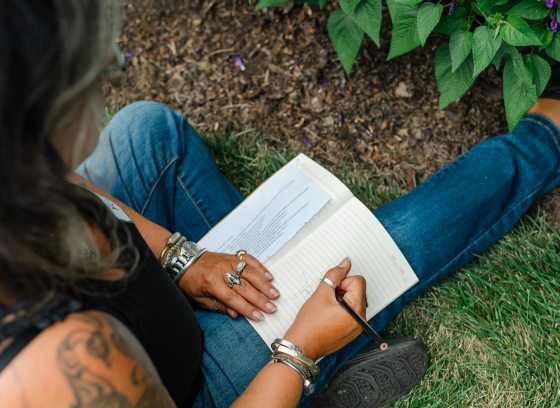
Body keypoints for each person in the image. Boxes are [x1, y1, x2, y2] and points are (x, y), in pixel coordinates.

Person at [1, 1, 559, 407]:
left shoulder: (17, 166)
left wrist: (180, 257)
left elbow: (70, 181)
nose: (104, 89)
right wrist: (297, 350)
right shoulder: (64, 365)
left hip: (142, 304)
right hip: (182, 378)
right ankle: (546, 138)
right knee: (364, 254)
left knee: (146, 132)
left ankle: (280, 307)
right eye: (94, 77)